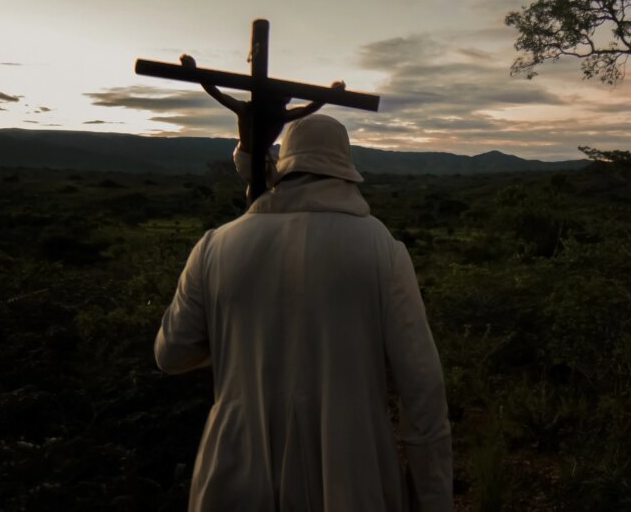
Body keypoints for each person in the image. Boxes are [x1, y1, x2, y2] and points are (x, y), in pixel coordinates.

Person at [154, 112, 453, 511]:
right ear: (346, 171)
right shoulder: (381, 249)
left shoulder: (215, 246)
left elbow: (171, 355)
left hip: (235, 466)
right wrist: (432, 500)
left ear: (284, 167)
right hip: (351, 469)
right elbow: (423, 388)